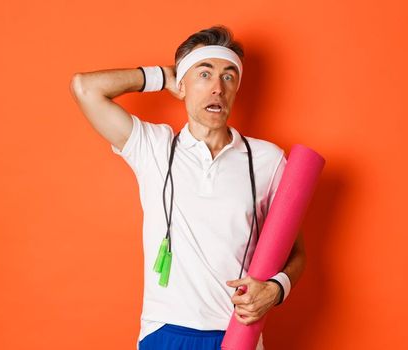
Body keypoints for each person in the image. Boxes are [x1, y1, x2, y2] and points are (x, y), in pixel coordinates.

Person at [69, 25, 306, 350]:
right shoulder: (153, 146)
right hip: (164, 332)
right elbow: (85, 88)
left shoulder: (268, 160)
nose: (217, 89)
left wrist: (276, 289)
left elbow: (296, 251)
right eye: (204, 74)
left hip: (238, 336)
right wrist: (161, 77)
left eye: (228, 77)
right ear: (182, 85)